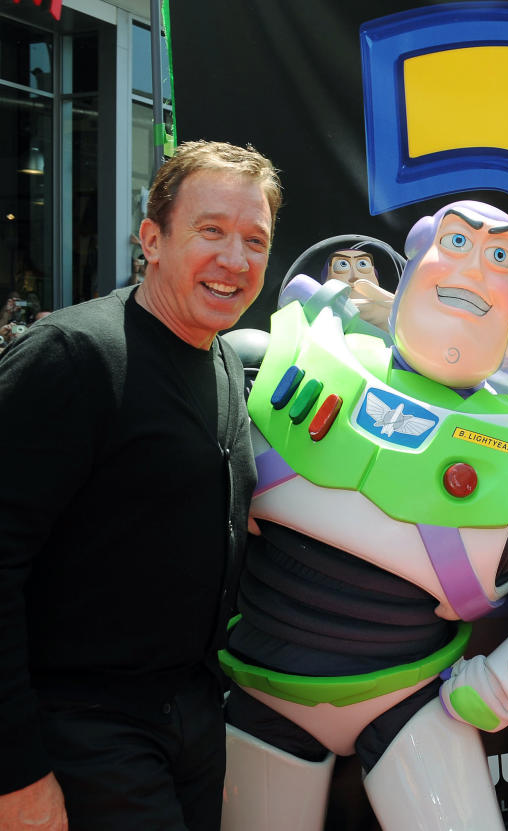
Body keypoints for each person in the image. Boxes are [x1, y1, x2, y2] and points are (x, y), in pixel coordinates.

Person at [218, 200, 508, 831]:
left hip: (413, 701)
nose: (473, 270)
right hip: (264, 687)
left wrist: (501, 685)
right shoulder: (285, 357)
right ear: (415, 255)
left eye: (498, 256)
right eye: (457, 243)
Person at [0, 140, 280, 830]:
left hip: (189, 720)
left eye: (255, 239)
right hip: (81, 731)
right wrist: (17, 776)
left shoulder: (217, 358)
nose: (236, 260)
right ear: (151, 239)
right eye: (210, 231)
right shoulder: (72, 356)